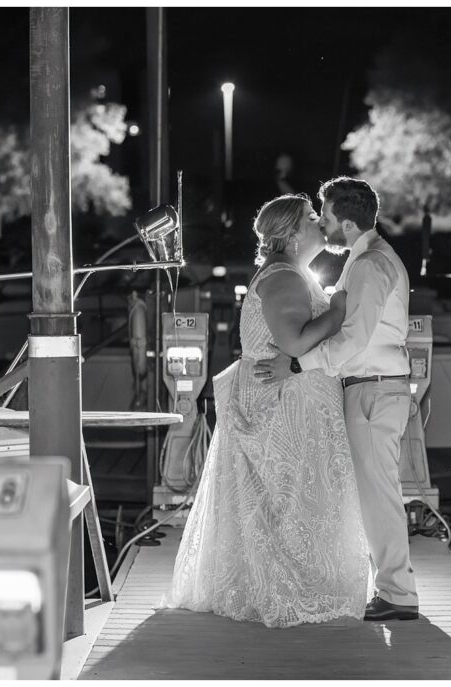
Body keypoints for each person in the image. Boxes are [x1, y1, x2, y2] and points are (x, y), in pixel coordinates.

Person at [158, 194, 369, 628]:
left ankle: (291, 580)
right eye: (313, 219)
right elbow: (294, 343)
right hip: (285, 409)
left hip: (287, 401)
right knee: (290, 501)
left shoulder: (288, 273)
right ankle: (292, 587)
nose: (320, 223)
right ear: (293, 234)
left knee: (288, 502)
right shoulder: (284, 277)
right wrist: (338, 311)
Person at [254, 177, 419, 622]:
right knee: (372, 491)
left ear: (346, 223)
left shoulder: (369, 266)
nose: (321, 225)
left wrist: (296, 366)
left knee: (378, 493)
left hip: (372, 387)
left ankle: (398, 593)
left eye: (324, 217)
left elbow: (353, 341)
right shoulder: (365, 260)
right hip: (372, 387)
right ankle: (390, 585)